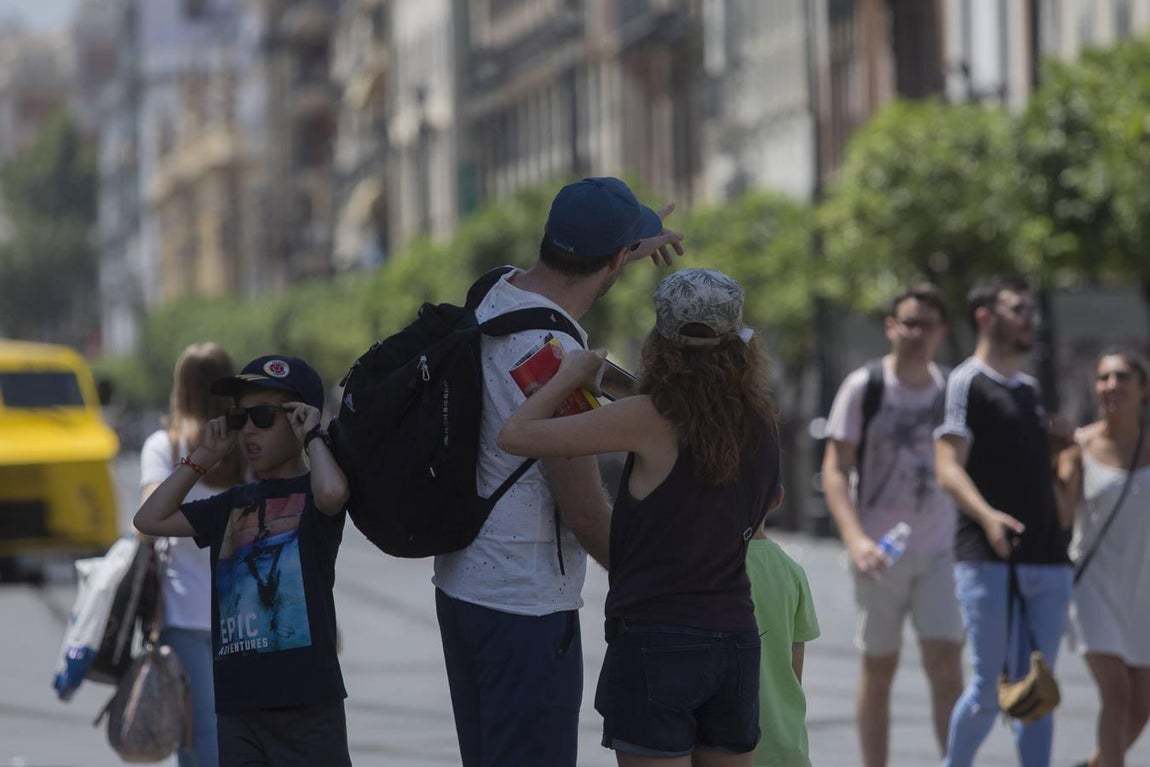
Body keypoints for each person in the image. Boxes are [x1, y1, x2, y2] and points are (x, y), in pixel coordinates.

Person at [431, 176, 682, 767]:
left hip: (462, 586)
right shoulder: (550, 358)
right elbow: (585, 511)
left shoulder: (494, 292)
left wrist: (623, 246)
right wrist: (661, 587)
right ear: (617, 260)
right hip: (525, 608)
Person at [498, 268, 781, 766]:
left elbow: (517, 435)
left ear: (661, 340)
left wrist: (567, 376)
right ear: (740, 338)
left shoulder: (648, 417)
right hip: (735, 640)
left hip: (658, 643)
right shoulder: (759, 417)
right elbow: (754, 482)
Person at [133, 354, 351, 766]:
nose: (248, 428)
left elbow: (334, 494)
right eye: (239, 418)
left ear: (299, 417)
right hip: (238, 707)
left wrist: (315, 437)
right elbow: (149, 517)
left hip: (307, 704)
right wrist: (202, 457)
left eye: (264, 416)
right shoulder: (230, 504)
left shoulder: (313, 494)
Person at [821, 284, 963, 767]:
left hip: (941, 549)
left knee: (947, 666)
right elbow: (835, 468)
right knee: (879, 667)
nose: (916, 334)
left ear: (941, 333)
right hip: (880, 552)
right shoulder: (865, 386)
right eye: (908, 323)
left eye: (926, 325)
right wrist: (855, 539)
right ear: (891, 328)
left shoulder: (952, 392)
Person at [933, 276, 1073, 767]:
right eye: (1017, 309)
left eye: (1029, 311)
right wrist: (989, 516)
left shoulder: (1031, 390)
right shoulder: (966, 380)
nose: (1028, 319)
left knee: (1038, 693)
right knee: (988, 689)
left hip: (1049, 562)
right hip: (987, 559)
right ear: (985, 316)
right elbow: (947, 465)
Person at [138, 342, 245, 767]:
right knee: (244, 737)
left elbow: (143, 524)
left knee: (200, 741)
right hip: (248, 616)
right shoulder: (248, 448)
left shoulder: (164, 448)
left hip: (183, 615)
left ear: (180, 388)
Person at [1056, 348, 1150, 767]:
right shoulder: (1079, 446)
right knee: (1116, 693)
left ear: (1143, 389)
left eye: (1123, 377)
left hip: (1143, 589)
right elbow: (1061, 514)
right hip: (1093, 585)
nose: (1112, 386)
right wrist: (1051, 461)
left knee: (1141, 707)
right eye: (1104, 378)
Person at [745, 490, 821, 767]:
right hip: (783, 740)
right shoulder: (792, 571)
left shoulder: (712, 566)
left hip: (725, 741)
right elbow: (793, 673)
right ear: (777, 498)